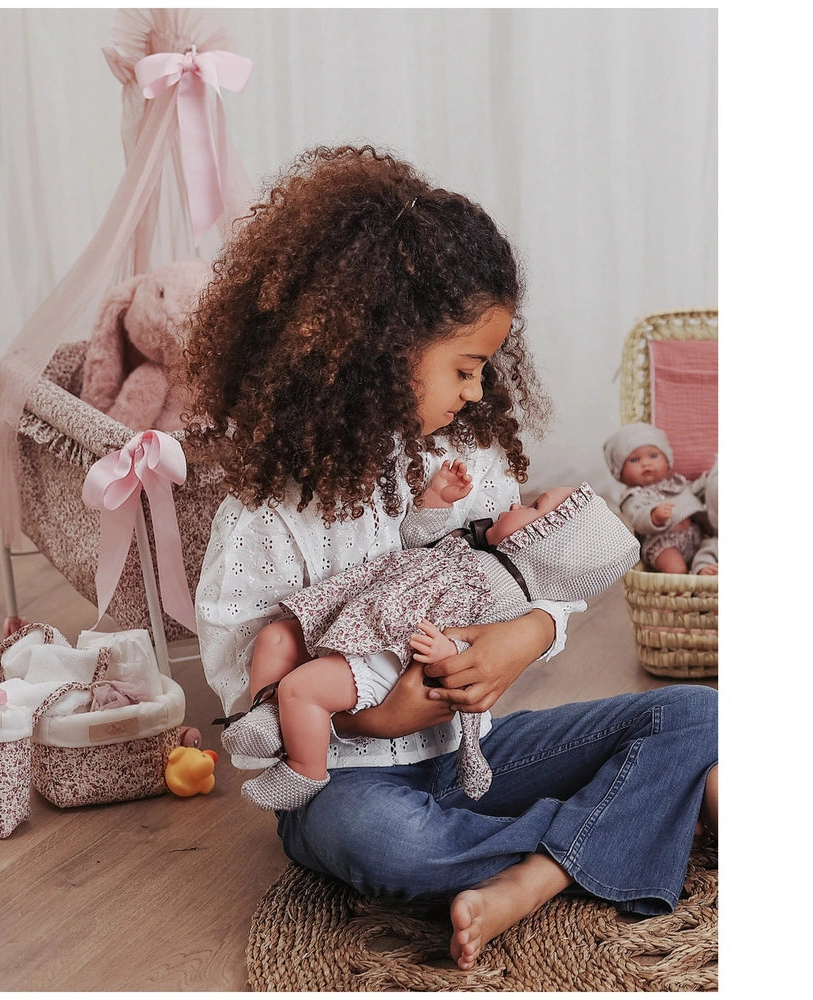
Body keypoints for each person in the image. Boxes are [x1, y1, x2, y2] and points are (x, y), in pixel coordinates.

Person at [183, 145, 718, 971]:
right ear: (370, 348)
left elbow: (545, 570)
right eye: (464, 368)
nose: (476, 392)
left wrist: (530, 634)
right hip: (346, 784)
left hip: (467, 760)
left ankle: (535, 873)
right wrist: (379, 718)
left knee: (696, 713)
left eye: (483, 372)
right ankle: (626, 826)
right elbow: (249, 720)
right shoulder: (261, 525)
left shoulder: (461, 476)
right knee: (388, 843)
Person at [221, 478, 639, 812]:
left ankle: (305, 770)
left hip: (385, 658)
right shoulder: (475, 550)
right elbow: (417, 542)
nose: (515, 505)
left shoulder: (503, 592)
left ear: (544, 544)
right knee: (274, 637)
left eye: (532, 508)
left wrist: (448, 652)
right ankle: (268, 714)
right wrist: (436, 502)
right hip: (362, 623)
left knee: (303, 687)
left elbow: (474, 645)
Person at [603, 422, 718, 575]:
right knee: (676, 567)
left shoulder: (675, 484)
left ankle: (702, 570)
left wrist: (706, 480)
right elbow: (637, 517)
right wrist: (653, 516)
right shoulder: (632, 497)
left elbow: (691, 493)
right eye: (634, 460)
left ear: (667, 459)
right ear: (620, 471)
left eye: (653, 455)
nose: (646, 463)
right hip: (663, 544)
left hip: (694, 536)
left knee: (710, 549)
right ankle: (677, 590)